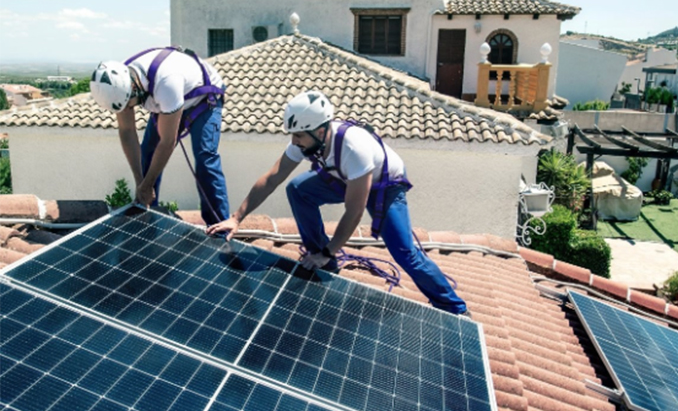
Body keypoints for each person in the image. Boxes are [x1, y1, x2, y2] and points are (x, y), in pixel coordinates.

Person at [207, 90, 468, 315]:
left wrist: (330, 250)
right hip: (343, 177)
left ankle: (453, 307)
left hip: (384, 186)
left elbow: (354, 212)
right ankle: (322, 261)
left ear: (321, 131)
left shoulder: (354, 148)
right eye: (293, 136)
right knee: (298, 189)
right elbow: (273, 177)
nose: (294, 142)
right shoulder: (308, 139)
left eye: (299, 136)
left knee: (404, 252)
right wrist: (236, 217)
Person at [90, 47, 230, 225]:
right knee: (148, 152)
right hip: (170, 100)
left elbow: (167, 142)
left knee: (205, 157)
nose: (127, 110)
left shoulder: (166, 83)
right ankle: (147, 215)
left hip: (204, 99)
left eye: (129, 105)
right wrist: (140, 181)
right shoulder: (119, 84)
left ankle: (219, 225)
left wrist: (147, 184)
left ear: (134, 87)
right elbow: (127, 132)